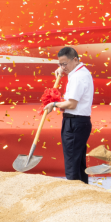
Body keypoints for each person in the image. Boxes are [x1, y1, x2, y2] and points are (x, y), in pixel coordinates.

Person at [44, 46, 94, 184]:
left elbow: (71, 104)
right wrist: (62, 69)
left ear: (75, 60)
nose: (62, 67)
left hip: (75, 123)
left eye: (64, 64)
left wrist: (54, 104)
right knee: (78, 163)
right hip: (79, 122)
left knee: (72, 164)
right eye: (60, 64)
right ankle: (83, 191)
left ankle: (74, 191)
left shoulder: (78, 77)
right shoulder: (79, 72)